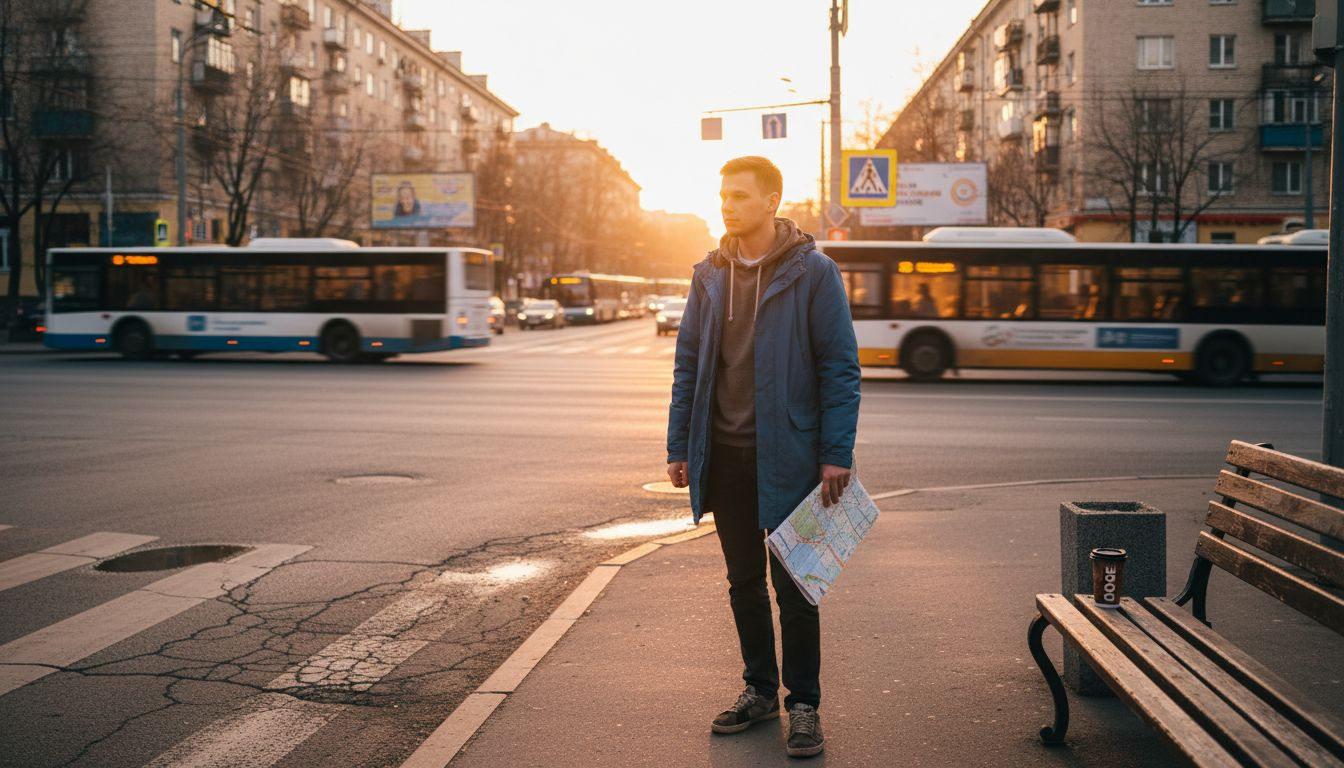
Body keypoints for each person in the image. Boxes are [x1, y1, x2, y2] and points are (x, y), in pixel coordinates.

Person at [666, 156, 861, 759]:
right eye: (723, 194)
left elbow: (839, 367)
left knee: (796, 587)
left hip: (793, 458)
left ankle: (804, 706)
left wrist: (835, 454)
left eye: (741, 196)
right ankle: (759, 690)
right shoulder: (708, 275)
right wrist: (679, 445)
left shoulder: (814, 273)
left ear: (771, 201)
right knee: (743, 583)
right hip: (723, 456)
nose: (728, 204)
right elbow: (689, 364)